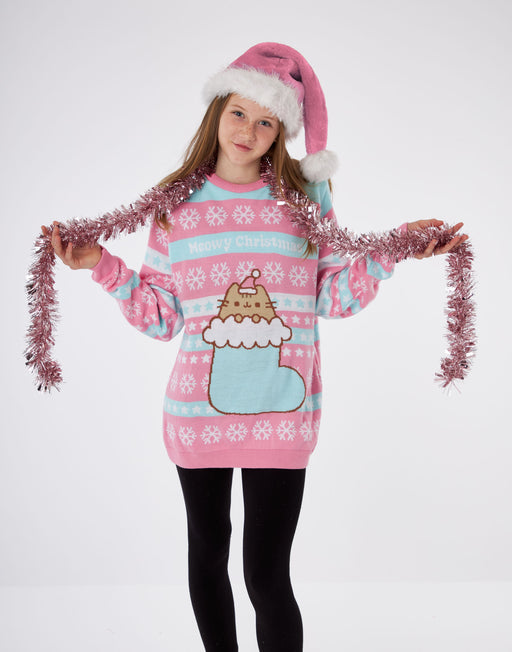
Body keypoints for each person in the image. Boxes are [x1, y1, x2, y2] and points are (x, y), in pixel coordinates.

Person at [42, 43, 467, 652]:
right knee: (207, 557)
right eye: (239, 112)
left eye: (266, 122)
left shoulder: (305, 200)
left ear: (281, 133)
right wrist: (103, 266)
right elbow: (163, 317)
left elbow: (331, 297)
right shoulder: (174, 206)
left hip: (284, 415)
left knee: (267, 575)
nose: (248, 130)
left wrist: (392, 250)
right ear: (218, 110)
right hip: (197, 416)